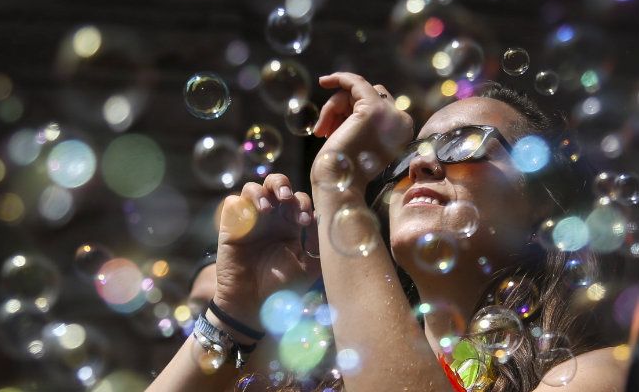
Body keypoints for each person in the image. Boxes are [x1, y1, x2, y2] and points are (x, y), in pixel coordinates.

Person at [149, 72, 629, 391]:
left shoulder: (596, 376)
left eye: (463, 143)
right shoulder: (326, 376)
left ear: (543, 211)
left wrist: (337, 184)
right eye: (409, 153)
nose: (421, 163)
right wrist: (234, 315)